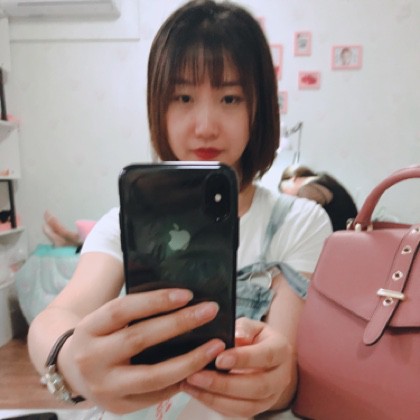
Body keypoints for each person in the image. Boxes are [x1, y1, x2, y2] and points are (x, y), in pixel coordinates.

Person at [28, 1, 332, 418]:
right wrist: (67, 360)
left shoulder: (298, 223)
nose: (205, 125)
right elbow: (57, 316)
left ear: (258, 108)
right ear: (159, 105)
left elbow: (286, 368)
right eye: (184, 97)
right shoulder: (124, 224)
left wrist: (277, 384)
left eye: (230, 98)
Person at [279, 164, 358, 231]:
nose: (287, 197)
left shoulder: (306, 189)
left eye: (283, 190)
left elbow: (304, 221)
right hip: (350, 231)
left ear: (293, 179)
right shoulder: (324, 178)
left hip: (338, 236)